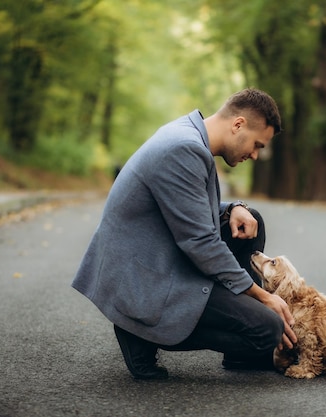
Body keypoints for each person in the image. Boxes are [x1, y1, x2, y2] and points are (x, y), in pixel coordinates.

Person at [72, 88, 297, 380]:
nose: (254, 155)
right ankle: (142, 334)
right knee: (267, 329)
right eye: (256, 145)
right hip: (144, 281)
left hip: (161, 256)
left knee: (250, 220)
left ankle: (240, 346)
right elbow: (200, 243)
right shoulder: (183, 148)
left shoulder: (189, 134)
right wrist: (260, 297)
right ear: (238, 124)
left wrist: (234, 208)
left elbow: (184, 205)